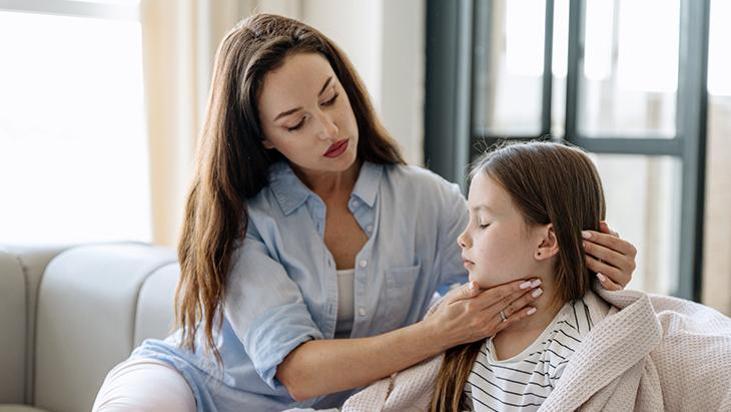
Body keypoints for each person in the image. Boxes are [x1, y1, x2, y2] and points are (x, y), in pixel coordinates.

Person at [92, 14, 637, 412]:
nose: (329, 130)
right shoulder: (236, 216)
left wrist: (596, 265)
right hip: (196, 385)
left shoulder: (425, 201)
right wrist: (437, 333)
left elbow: (522, 268)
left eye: (330, 98)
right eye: (295, 121)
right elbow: (299, 373)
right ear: (262, 138)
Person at [334, 141, 731, 412]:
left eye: (483, 223)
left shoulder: (581, 347)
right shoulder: (469, 327)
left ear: (547, 242)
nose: (463, 238)